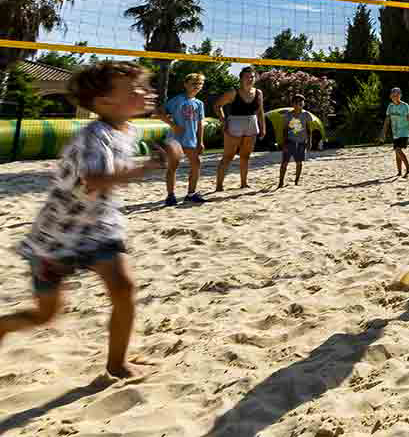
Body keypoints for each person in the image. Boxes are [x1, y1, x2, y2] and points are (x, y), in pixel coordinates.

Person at [0, 61, 181, 379]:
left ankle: (117, 364)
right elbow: (93, 179)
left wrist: (160, 157)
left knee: (124, 288)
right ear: (104, 102)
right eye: (135, 88)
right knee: (46, 315)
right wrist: (148, 167)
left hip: (99, 230)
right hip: (56, 237)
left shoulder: (129, 130)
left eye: (145, 85)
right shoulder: (92, 136)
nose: (147, 91)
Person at [214, 66, 265, 191]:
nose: (250, 79)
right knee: (228, 156)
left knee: (246, 156)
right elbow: (217, 105)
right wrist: (223, 121)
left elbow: (260, 111)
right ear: (241, 78)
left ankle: (243, 183)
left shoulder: (258, 93)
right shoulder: (233, 92)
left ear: (255, 78)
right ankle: (219, 186)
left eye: (252, 77)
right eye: (247, 77)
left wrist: (263, 127)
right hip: (235, 123)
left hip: (252, 123)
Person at [161, 72, 206, 205]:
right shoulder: (177, 100)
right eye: (194, 84)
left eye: (200, 84)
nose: (197, 86)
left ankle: (191, 194)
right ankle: (170, 196)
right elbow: (159, 113)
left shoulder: (199, 103)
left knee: (196, 164)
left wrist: (201, 141)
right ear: (186, 84)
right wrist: (173, 125)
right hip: (175, 139)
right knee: (173, 167)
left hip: (191, 139)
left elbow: (200, 123)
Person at [382, 87, 409, 178]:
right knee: (397, 152)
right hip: (395, 132)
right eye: (393, 95)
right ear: (390, 96)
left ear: (400, 95)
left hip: (404, 132)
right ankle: (399, 172)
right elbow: (387, 121)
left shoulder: (405, 106)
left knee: (397, 149)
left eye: (397, 95)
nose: (395, 97)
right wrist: (383, 133)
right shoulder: (390, 106)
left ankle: (408, 169)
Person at [278, 94, 314, 188]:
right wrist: (284, 142)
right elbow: (285, 129)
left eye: (301, 102)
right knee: (284, 162)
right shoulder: (288, 115)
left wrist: (309, 142)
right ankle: (281, 182)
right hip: (290, 141)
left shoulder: (306, 115)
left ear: (303, 104)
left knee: (299, 162)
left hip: (302, 142)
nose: (298, 104)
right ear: (293, 104)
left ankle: (296, 181)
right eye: (296, 102)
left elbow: (309, 129)